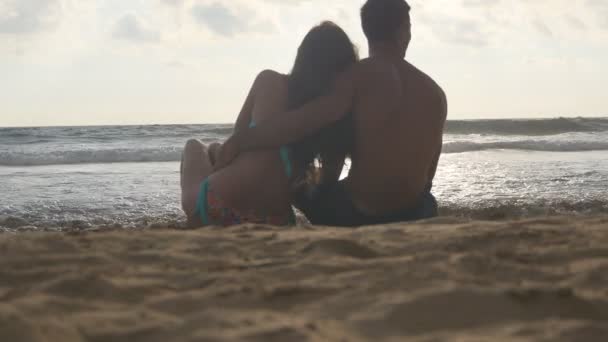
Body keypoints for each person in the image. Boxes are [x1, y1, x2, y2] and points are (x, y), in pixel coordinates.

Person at [215, 0, 448, 227]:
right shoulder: (436, 93)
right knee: (425, 197)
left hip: (357, 214)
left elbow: (301, 123)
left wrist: (241, 140)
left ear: (366, 28)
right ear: (403, 30)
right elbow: (429, 174)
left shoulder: (357, 76)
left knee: (300, 182)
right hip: (415, 214)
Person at [181, 22, 358, 227]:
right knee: (213, 148)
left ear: (302, 57)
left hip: (218, 207)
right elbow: (328, 181)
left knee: (194, 145)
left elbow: (236, 141)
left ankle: (194, 219)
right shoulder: (332, 115)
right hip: (275, 220)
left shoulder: (270, 81)